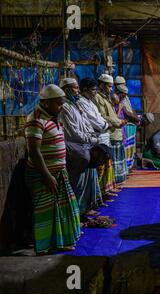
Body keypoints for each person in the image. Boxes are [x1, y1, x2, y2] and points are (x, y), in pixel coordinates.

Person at [24, 84, 81, 254]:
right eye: (58, 103)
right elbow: (34, 152)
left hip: (58, 172)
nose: (61, 106)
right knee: (46, 213)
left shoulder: (53, 117)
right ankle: (44, 247)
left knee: (63, 208)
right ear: (47, 103)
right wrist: (47, 176)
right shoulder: (36, 120)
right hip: (43, 174)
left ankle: (60, 242)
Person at [59, 78, 104, 216]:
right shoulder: (65, 107)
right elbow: (73, 133)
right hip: (73, 147)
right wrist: (92, 139)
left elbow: (86, 125)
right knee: (77, 180)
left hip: (85, 144)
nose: (78, 91)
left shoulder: (76, 105)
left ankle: (85, 207)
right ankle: (75, 210)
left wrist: (92, 138)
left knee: (88, 176)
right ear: (66, 90)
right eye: (75, 88)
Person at [78, 78, 117, 199]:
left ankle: (103, 192)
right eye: (93, 90)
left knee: (105, 166)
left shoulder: (90, 102)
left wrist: (105, 124)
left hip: (102, 135)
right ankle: (98, 195)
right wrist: (106, 125)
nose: (94, 92)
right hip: (96, 138)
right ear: (84, 90)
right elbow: (95, 121)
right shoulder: (81, 102)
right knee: (98, 169)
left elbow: (99, 116)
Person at [93, 74, 128, 184]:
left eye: (111, 87)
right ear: (102, 85)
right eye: (109, 86)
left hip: (111, 133)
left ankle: (111, 186)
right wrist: (119, 122)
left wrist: (118, 122)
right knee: (106, 164)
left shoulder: (106, 97)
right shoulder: (97, 98)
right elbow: (103, 116)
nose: (111, 89)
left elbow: (111, 115)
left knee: (111, 164)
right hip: (105, 133)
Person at [115, 76, 140, 170]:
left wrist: (136, 118)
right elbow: (126, 112)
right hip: (126, 125)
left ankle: (129, 166)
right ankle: (125, 167)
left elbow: (131, 109)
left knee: (130, 147)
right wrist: (137, 119)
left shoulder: (125, 96)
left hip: (131, 124)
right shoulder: (117, 98)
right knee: (125, 147)